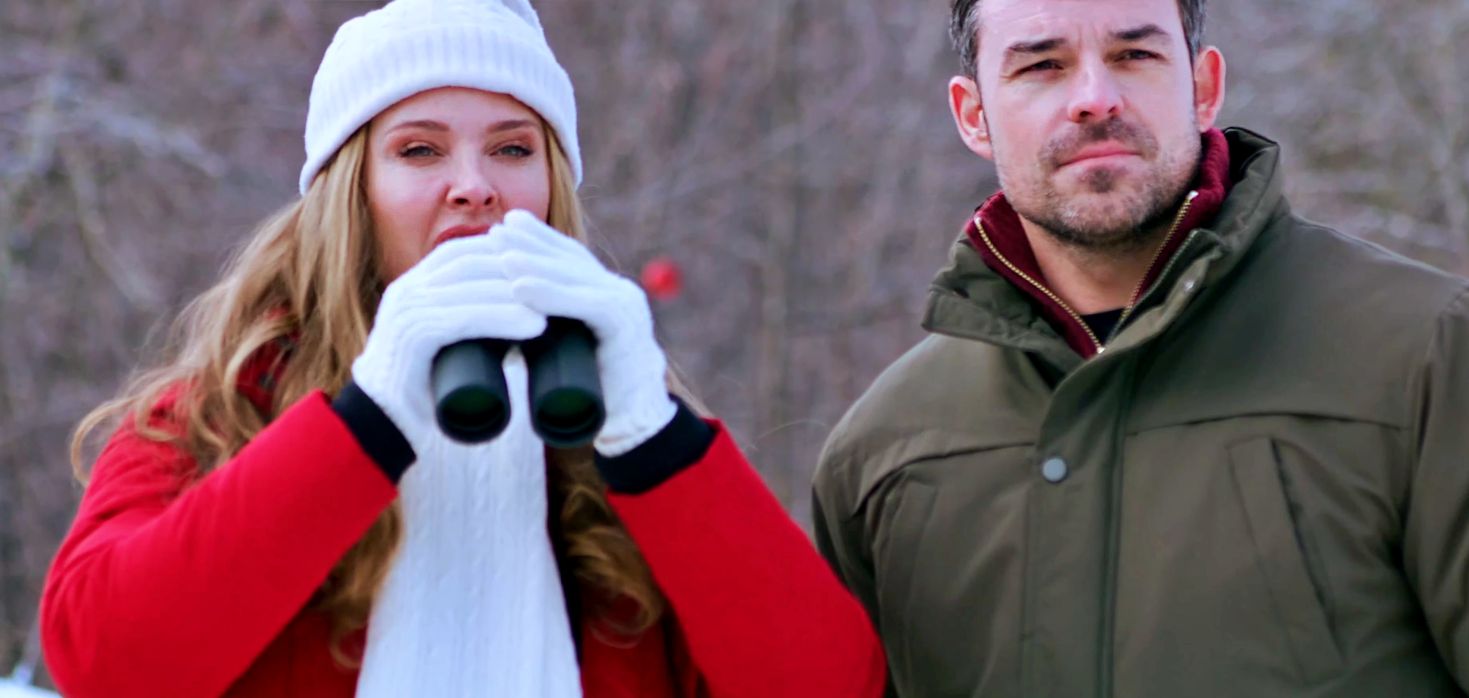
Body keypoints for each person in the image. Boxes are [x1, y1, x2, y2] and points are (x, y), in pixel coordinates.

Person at [40, 1, 886, 696]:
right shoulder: (225, 412)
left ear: (551, 188)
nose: (474, 184)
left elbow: (825, 683)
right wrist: (365, 421)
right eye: (419, 150)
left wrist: (652, 433)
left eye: (514, 148)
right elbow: (105, 666)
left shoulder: (619, 430)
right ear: (350, 195)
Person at [812, 0, 1469, 695]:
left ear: (1203, 87)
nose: (1094, 99)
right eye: (1042, 65)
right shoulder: (882, 452)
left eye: (1134, 55)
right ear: (972, 115)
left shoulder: (1422, 353)